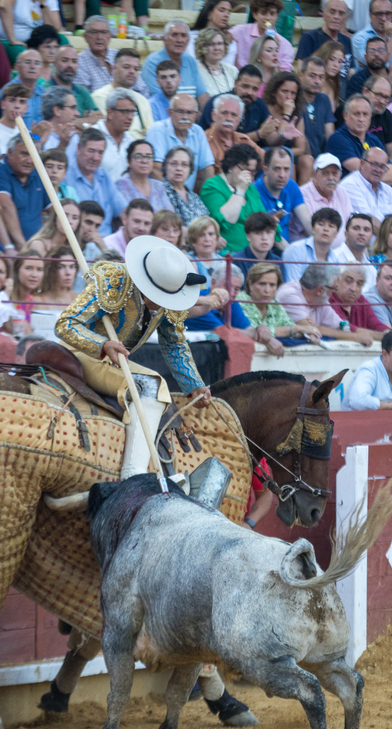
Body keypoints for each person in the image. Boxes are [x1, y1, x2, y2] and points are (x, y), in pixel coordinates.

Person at [55, 234, 213, 478]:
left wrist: (195, 385)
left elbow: (174, 344)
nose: (162, 305)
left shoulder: (171, 292)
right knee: (150, 385)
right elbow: (65, 324)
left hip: (115, 362)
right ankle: (133, 474)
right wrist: (103, 344)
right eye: (157, 298)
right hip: (82, 356)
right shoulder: (112, 280)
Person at [274, 262, 374, 345]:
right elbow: (312, 330)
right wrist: (355, 337)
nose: (335, 292)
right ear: (320, 290)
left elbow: (341, 327)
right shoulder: (290, 295)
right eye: (334, 288)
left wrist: (362, 333)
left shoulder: (320, 300)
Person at [201, 143, 268, 252]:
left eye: (253, 172)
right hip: (227, 253)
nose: (249, 176)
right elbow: (226, 220)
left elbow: (264, 222)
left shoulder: (251, 190)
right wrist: (240, 190)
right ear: (231, 165)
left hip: (254, 253)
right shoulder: (212, 186)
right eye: (245, 169)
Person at [143, 21, 207, 106]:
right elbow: (160, 101)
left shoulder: (190, 60)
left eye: (183, 36)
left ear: (188, 40)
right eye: (174, 35)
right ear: (164, 39)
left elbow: (202, 96)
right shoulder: (152, 62)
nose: (179, 40)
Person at [281, 207, 350, 284]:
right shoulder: (295, 250)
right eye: (321, 224)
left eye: (331, 226)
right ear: (313, 229)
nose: (326, 229)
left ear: (337, 233)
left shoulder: (335, 259)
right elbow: (293, 286)